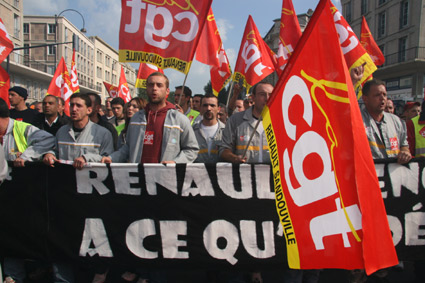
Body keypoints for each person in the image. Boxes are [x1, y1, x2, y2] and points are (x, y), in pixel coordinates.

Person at [0, 97, 55, 283]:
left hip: (23, 193)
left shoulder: (21, 128)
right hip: (5, 193)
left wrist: (26, 156)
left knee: (18, 233)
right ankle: (11, 274)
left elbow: (48, 139)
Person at [101, 72, 198, 164]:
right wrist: (112, 158)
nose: (154, 88)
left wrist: (176, 162)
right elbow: (128, 148)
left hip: (166, 178)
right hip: (139, 177)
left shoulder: (179, 119)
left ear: (167, 91)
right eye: (151, 85)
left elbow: (191, 150)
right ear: (146, 88)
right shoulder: (136, 118)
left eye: (159, 85)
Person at [43, 93, 114, 171]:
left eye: (79, 106)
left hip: (90, 180)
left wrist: (86, 158)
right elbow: (56, 151)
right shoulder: (62, 131)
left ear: (89, 110)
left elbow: (108, 158)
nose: (74, 109)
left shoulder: (103, 133)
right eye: (72, 105)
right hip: (65, 179)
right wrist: (50, 154)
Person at [219, 82, 273, 164]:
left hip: (272, 176)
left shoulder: (281, 122)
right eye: (262, 94)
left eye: (271, 95)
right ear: (253, 97)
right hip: (245, 174)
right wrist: (235, 158)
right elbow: (224, 150)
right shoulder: (236, 120)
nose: (267, 98)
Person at [361, 78, 411, 164]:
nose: (382, 98)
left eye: (384, 94)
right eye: (377, 95)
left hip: (393, 174)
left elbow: (404, 145)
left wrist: (405, 152)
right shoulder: (357, 120)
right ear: (365, 99)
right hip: (369, 174)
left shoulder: (396, 121)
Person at [193, 94, 225, 163]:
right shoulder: (192, 131)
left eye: (212, 105)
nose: (208, 108)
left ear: (218, 109)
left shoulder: (226, 131)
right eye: (205, 105)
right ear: (200, 108)